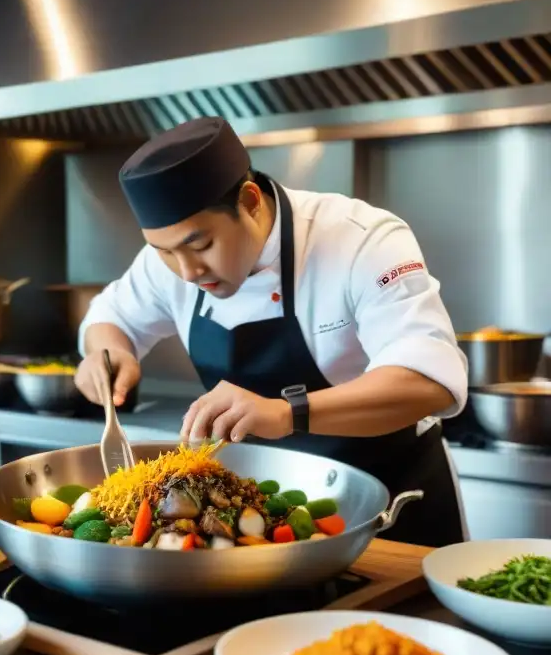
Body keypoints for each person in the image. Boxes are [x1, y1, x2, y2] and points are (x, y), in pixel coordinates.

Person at [74, 117, 468, 547]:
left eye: (201, 246)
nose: (187, 271)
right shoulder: (172, 255)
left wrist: (286, 412)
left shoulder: (361, 239)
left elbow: (430, 382)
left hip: (389, 506)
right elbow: (109, 317)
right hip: (266, 516)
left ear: (249, 200)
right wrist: (108, 353)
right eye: (165, 252)